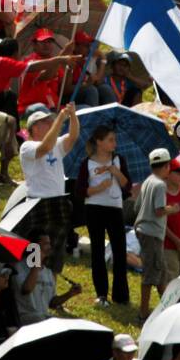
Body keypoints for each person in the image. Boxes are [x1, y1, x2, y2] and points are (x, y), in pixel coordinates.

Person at [75, 125, 132, 307]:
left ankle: (121, 295)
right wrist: (98, 188)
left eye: (114, 139)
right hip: (94, 209)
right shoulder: (88, 163)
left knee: (120, 251)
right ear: (99, 142)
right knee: (98, 251)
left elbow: (127, 186)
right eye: (110, 139)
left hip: (115, 208)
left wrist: (116, 172)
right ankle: (101, 294)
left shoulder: (119, 160)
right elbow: (80, 190)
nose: (114, 143)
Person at [17, 103, 79, 266]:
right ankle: (32, 276)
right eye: (46, 122)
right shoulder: (27, 147)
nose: (51, 124)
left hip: (59, 201)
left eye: (51, 121)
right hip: (38, 203)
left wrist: (72, 116)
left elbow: (72, 137)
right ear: (34, 128)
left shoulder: (56, 144)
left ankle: (51, 280)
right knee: (36, 246)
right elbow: (44, 148)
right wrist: (59, 118)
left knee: (56, 248)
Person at [134, 148, 180, 321]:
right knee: (150, 275)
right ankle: (143, 313)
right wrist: (174, 209)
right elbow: (159, 210)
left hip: (144, 231)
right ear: (167, 166)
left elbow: (136, 206)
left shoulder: (148, 181)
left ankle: (168, 308)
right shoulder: (160, 185)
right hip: (152, 232)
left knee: (160, 273)